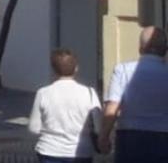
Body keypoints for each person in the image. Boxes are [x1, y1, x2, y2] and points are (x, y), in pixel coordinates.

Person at [100, 26, 168, 162]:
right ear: (165, 49)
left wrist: (104, 136)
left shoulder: (123, 70)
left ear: (140, 48)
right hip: (163, 136)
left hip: (130, 136)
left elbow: (112, 108)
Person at [28, 49, 102, 163]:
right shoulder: (89, 93)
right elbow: (98, 126)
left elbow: (34, 128)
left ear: (53, 70)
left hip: (49, 150)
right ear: (76, 68)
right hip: (81, 151)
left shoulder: (43, 93)